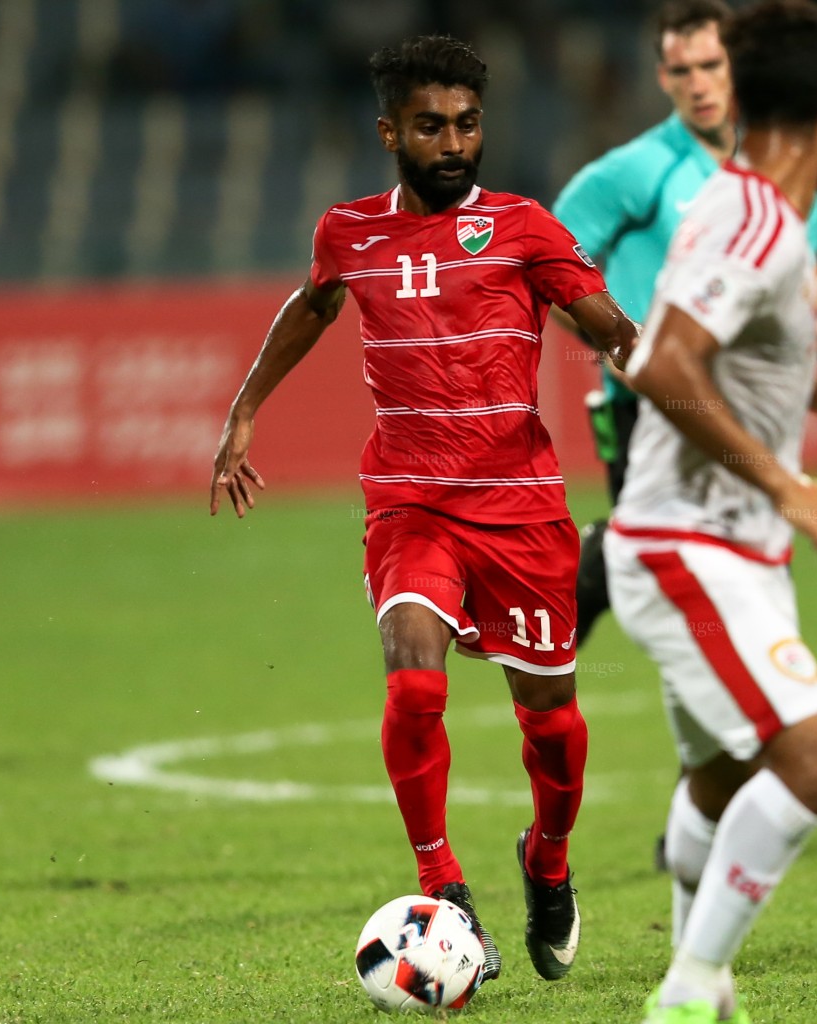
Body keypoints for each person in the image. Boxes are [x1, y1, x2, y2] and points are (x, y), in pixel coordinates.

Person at [210, 35, 639, 987]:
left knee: (553, 722)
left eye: (469, 124)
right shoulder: (349, 232)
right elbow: (312, 307)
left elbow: (602, 321)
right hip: (410, 504)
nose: (454, 142)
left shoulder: (524, 227)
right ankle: (443, 885)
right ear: (390, 132)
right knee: (412, 683)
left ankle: (550, 860)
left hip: (522, 511)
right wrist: (245, 411)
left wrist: (645, 366)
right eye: (432, 126)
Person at [602, 3, 817, 1021]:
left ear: (740, 96)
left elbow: (729, 366)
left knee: (719, 774)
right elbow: (666, 364)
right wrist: (787, 483)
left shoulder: (749, 214)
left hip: (728, 548)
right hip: (685, 543)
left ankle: (703, 983)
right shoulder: (755, 224)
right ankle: (691, 988)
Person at [552, 0, 817, 649]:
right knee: (677, 559)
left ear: (736, 69)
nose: (698, 82)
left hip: (743, 401)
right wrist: (613, 339)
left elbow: (803, 277)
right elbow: (548, 264)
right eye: (680, 70)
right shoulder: (636, 170)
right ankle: (568, 585)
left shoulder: (780, 173)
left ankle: (567, 600)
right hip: (653, 399)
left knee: (713, 561)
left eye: (711, 65)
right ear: (661, 77)